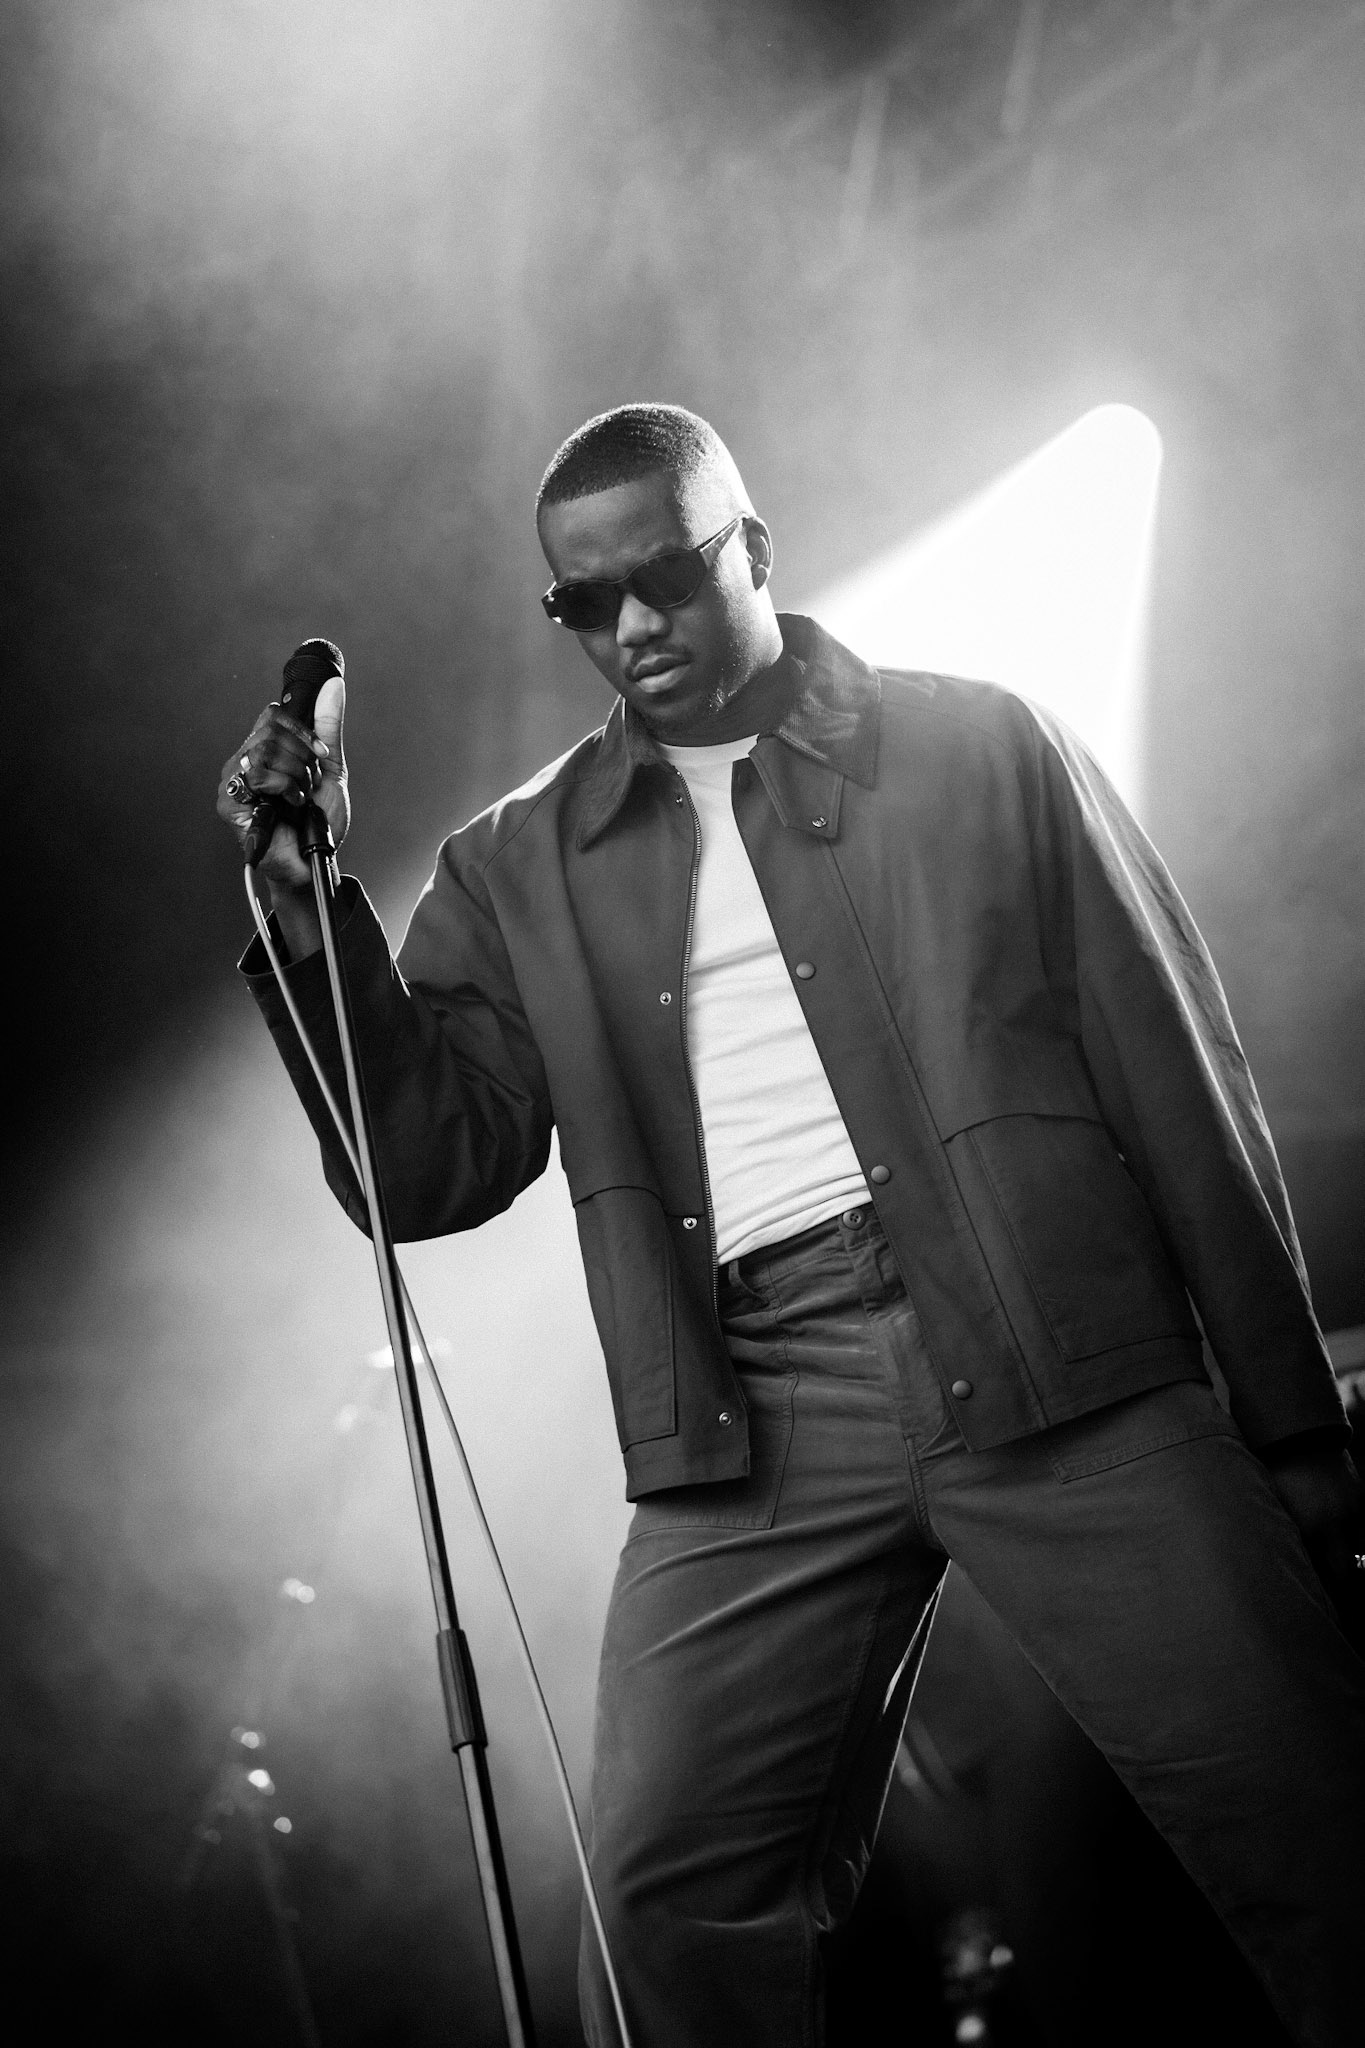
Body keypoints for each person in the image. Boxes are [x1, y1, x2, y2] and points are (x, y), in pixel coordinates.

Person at [219, 403, 1365, 2048]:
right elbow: (430, 1168)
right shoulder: (514, 863)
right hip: (749, 1409)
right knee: (670, 1892)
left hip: (1057, 1351)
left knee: (1313, 1820)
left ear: (752, 550)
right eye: (581, 605)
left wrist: (1289, 1416)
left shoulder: (983, 747)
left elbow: (1177, 1077)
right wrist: (301, 899)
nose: (629, 628)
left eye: (666, 579)